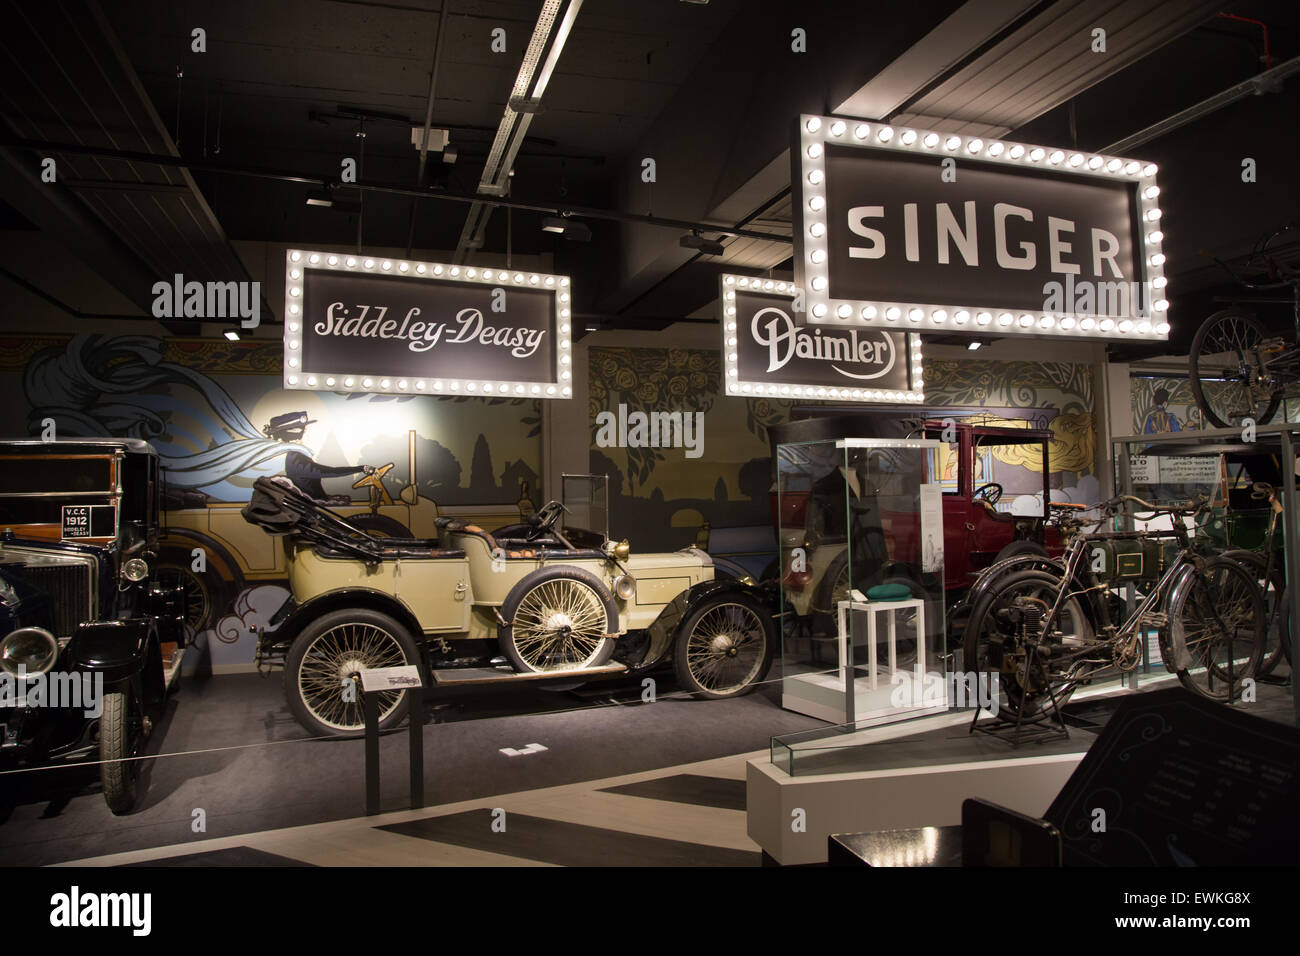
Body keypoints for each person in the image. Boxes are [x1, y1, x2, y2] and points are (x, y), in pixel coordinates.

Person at [263, 411, 370, 504]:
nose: (305, 430)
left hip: (315, 501)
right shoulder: (297, 457)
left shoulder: (297, 454)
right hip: (312, 504)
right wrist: (360, 468)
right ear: (294, 431)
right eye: (302, 428)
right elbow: (328, 471)